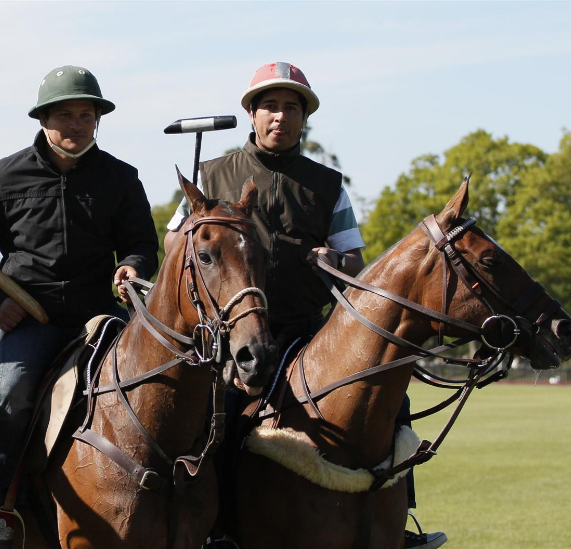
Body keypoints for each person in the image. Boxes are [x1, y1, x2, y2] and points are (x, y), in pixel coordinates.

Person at [165, 62, 445, 549]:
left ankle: (397, 521)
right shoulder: (211, 174)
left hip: (306, 332)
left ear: (304, 117)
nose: (280, 116)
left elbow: (355, 262)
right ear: (252, 114)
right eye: (270, 106)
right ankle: (215, 529)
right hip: (230, 334)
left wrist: (334, 259)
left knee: (390, 400)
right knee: (218, 414)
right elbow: (173, 245)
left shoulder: (328, 184)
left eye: (291, 108)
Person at [0, 65, 159, 549]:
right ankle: (1, 512)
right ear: (43, 118)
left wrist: (131, 266)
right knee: (11, 394)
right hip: (31, 321)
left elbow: (141, 244)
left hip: (101, 317)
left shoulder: (121, 177)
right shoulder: (2, 175)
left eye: (86, 115)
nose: (76, 124)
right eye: (65, 114)